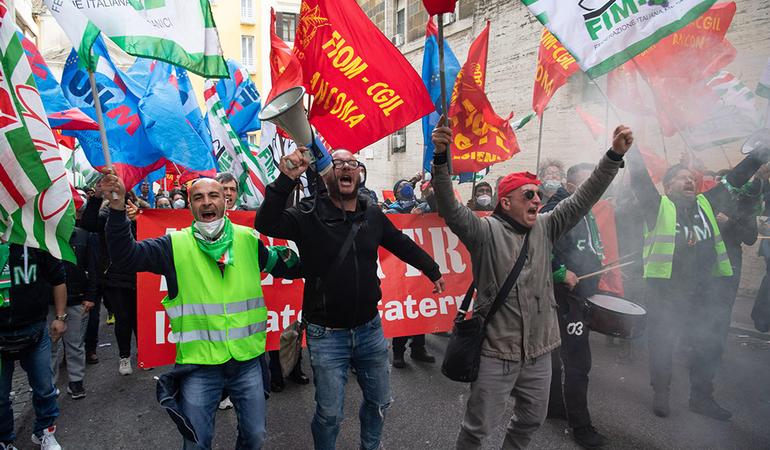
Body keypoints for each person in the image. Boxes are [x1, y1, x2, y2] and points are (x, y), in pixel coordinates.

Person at [431, 118, 633, 449]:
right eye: (528, 195)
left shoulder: (546, 226)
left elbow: (583, 198)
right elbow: (451, 209)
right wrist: (441, 158)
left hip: (540, 351)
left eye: (538, 195)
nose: (537, 200)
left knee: (531, 419)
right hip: (497, 352)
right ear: (505, 201)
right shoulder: (484, 233)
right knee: (477, 430)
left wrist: (612, 156)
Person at [256, 148, 445, 450]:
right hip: (326, 336)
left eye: (352, 164)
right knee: (330, 414)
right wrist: (286, 179)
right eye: (338, 163)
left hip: (370, 331)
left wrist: (432, 269)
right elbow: (265, 224)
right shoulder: (308, 212)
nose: (346, 168)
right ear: (327, 174)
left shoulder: (371, 212)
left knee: (380, 402)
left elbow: (399, 243)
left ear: (359, 173)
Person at [101, 174, 300, 449]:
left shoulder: (248, 240)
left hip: (247, 360)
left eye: (214, 195)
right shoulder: (173, 246)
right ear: (191, 207)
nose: (207, 202)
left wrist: (316, 249)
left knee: (255, 437)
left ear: (226, 201)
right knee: (196, 442)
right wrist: (116, 207)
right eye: (198, 197)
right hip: (199, 366)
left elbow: (283, 265)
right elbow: (125, 256)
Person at [626, 136, 769, 421]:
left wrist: (760, 152)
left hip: (705, 292)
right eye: (680, 179)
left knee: (709, 343)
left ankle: (702, 397)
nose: (688, 181)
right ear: (667, 188)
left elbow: (737, 178)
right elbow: (641, 181)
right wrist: (630, 149)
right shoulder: (658, 207)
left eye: (690, 178)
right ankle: (662, 393)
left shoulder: (707, 203)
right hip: (666, 293)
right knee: (663, 342)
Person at [540, 163, 608, 448]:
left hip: (582, 291)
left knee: (558, 352)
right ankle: (581, 425)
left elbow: (587, 246)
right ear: (570, 186)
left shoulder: (585, 209)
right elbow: (537, 243)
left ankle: (555, 406)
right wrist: (559, 271)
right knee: (578, 361)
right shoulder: (556, 210)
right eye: (587, 182)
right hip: (565, 294)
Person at [0, 243, 67, 450]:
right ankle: (5, 440)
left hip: (34, 331)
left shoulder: (33, 239)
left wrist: (60, 317)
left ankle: (45, 432)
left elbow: (58, 279)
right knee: (0, 396)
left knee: (45, 389)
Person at [81, 182, 140, 376]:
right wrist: (96, 196)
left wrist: (138, 219)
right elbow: (89, 224)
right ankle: (124, 357)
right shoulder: (106, 216)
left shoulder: (140, 216)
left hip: (140, 277)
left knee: (140, 318)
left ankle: (145, 353)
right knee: (123, 318)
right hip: (114, 278)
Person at [48, 206, 99, 399]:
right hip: (49, 302)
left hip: (77, 299)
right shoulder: (44, 239)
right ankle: (49, 385)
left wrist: (90, 296)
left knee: (75, 344)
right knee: (50, 345)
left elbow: (92, 267)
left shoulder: (83, 236)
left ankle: (76, 382)